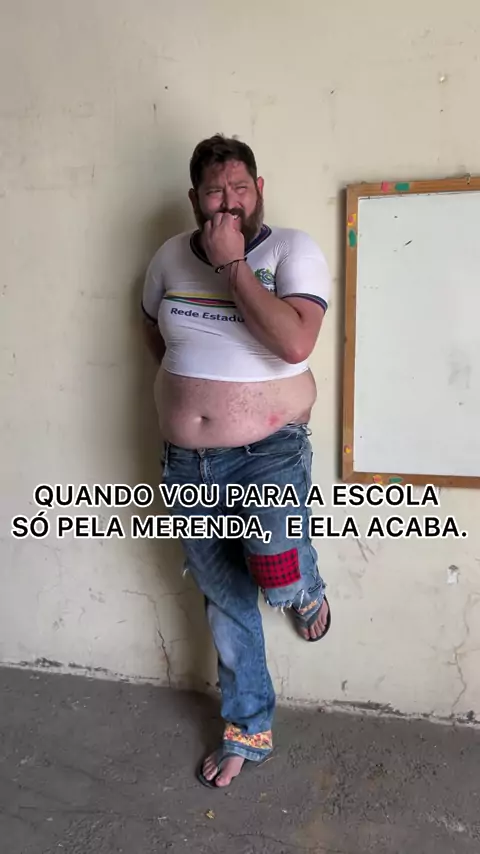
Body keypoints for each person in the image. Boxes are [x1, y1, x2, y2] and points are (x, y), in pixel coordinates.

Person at [141, 134, 332, 789]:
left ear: (259, 189)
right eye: (215, 192)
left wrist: (233, 267)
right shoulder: (168, 257)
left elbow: (295, 343)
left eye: (240, 188)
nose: (229, 203)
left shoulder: (291, 250)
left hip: (267, 455)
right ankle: (248, 727)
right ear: (195, 198)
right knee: (225, 598)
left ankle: (303, 588)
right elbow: (154, 331)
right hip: (186, 463)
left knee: (275, 573)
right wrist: (195, 397)